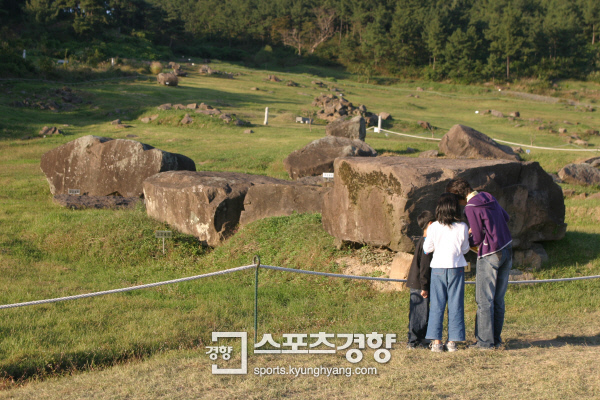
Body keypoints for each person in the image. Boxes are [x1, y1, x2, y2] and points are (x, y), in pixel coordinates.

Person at [445, 178, 512, 350]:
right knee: (498, 299)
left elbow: (478, 237)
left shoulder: (471, 207)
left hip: (490, 254)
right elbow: (506, 217)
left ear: (457, 196)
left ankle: (484, 342)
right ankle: (495, 340)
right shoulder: (488, 196)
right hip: (507, 249)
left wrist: (465, 238)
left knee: (484, 300)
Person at [423, 193, 470, 352]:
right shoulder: (462, 227)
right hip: (456, 268)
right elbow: (464, 249)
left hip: (438, 269)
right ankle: (452, 342)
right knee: (456, 304)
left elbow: (427, 248)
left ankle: (436, 342)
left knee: (437, 304)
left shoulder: (434, 226)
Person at [406, 210, 435, 349]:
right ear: (430, 224)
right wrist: (425, 286)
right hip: (419, 283)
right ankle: (415, 341)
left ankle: (417, 339)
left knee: (419, 312)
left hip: (418, 281)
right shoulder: (426, 243)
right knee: (419, 313)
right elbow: (424, 266)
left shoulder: (423, 241)